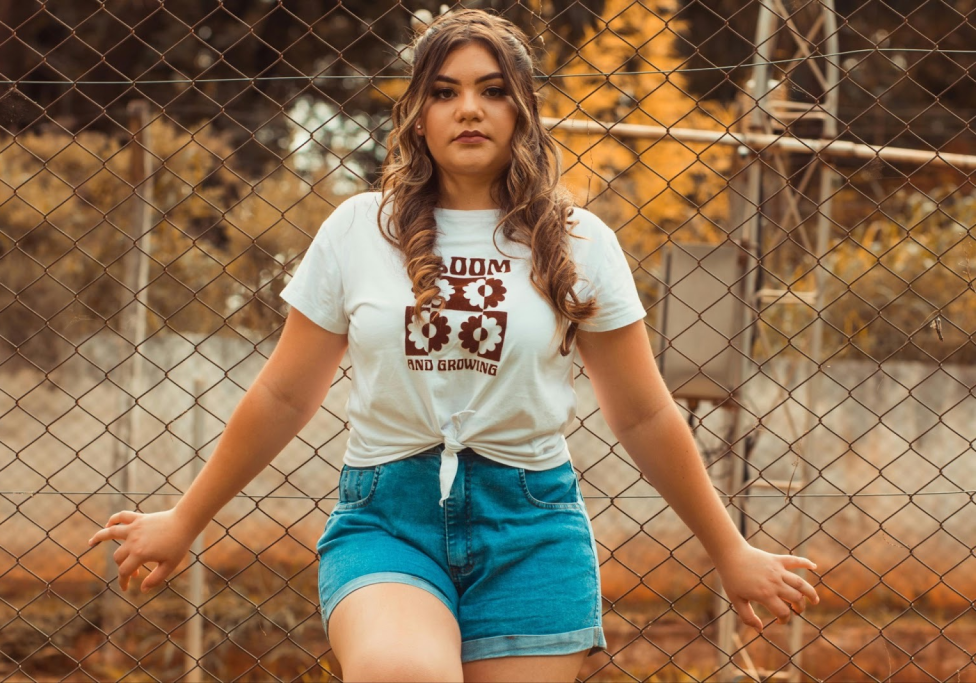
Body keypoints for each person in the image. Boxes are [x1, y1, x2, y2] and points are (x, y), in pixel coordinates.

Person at [87, 8, 821, 682]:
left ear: (523, 109)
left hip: (531, 527)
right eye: (444, 91)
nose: (468, 108)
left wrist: (730, 549)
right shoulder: (356, 230)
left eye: (492, 89)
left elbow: (644, 415)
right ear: (417, 114)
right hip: (388, 519)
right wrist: (184, 518)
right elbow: (283, 394)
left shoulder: (580, 242)